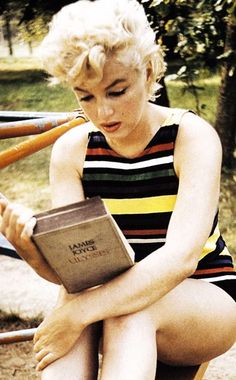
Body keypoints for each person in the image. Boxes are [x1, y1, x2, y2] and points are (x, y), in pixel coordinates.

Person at [0, 0, 236, 379]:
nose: (103, 113)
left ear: (146, 72)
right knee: (77, 316)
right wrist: (32, 251)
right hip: (103, 293)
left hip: (202, 296)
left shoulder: (190, 138)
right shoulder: (73, 151)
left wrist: (78, 312)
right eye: (85, 96)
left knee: (123, 313)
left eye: (117, 90)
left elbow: (181, 259)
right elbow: (76, 273)